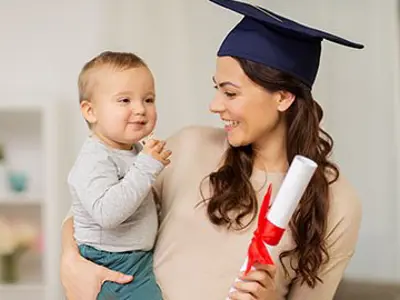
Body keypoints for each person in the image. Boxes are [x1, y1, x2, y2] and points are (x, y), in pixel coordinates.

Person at [60, 1, 364, 299]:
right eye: (216, 88)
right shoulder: (187, 147)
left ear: (283, 98)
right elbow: (93, 209)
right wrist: (70, 261)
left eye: (230, 92)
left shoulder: (336, 201)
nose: (215, 105)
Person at [67, 51, 171, 299]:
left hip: (136, 259)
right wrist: (146, 167)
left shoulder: (132, 150)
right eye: (125, 100)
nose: (140, 109)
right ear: (91, 111)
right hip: (109, 261)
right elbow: (108, 214)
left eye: (148, 99)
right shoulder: (94, 159)